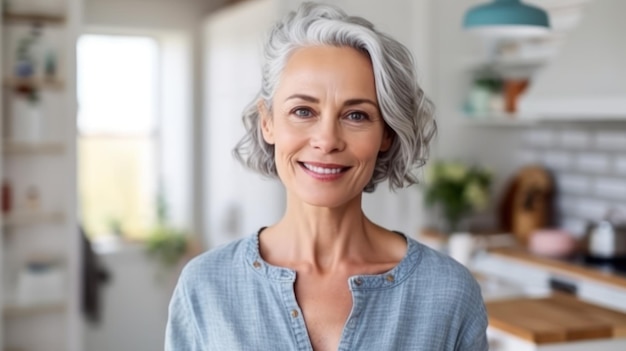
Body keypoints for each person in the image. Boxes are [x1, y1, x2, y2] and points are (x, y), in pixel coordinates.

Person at [165, 2, 488, 350]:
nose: (327, 140)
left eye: (356, 115)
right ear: (268, 122)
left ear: (387, 134)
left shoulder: (449, 292)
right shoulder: (204, 286)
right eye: (303, 111)